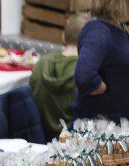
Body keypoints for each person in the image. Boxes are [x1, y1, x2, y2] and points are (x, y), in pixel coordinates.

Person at [73, 0, 129, 122]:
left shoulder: (117, 26)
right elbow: (84, 76)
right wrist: (104, 89)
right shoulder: (98, 31)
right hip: (99, 134)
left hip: (116, 129)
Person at [30, 13, 89, 141]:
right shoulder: (88, 71)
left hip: (42, 142)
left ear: (63, 37)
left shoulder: (41, 64)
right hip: (78, 145)